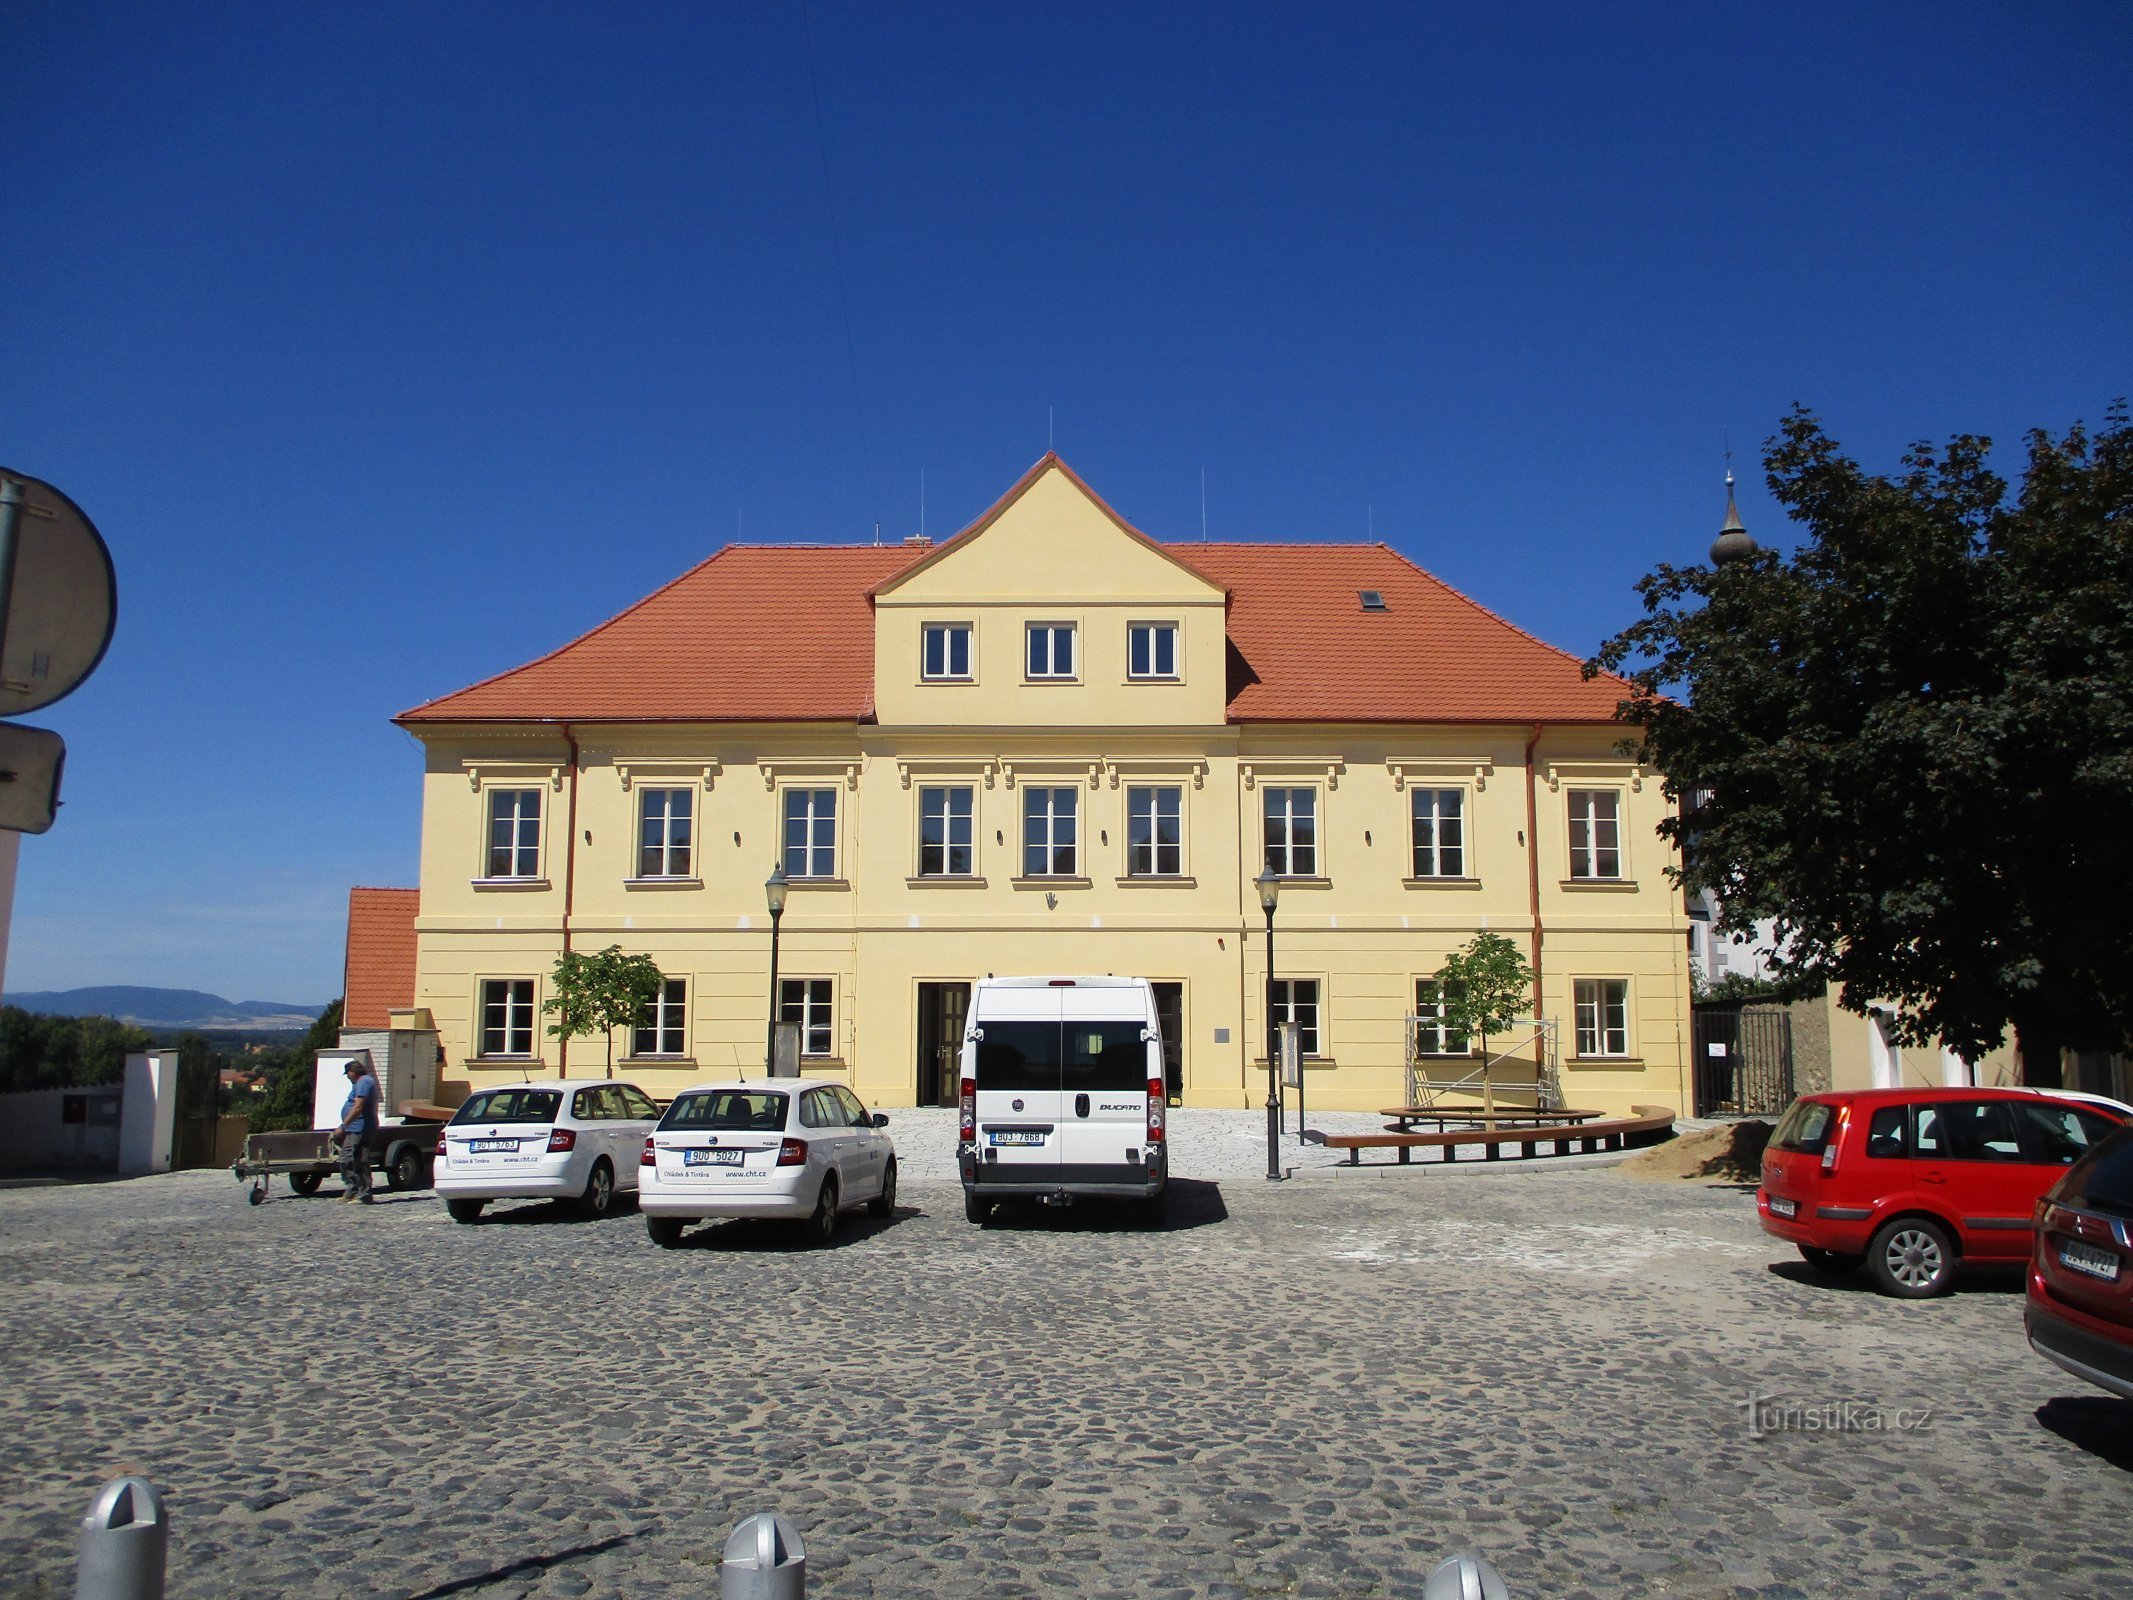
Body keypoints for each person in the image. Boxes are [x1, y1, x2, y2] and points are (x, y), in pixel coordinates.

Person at [337, 1059, 380, 1203]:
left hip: (361, 1127)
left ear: (353, 1072)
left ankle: (364, 1193)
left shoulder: (364, 1082)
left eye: (348, 1074)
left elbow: (358, 1107)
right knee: (346, 1157)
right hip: (354, 1128)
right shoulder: (359, 1083)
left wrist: (343, 1126)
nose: (348, 1077)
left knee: (360, 1159)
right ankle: (352, 1188)